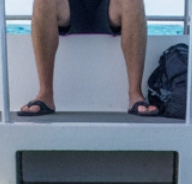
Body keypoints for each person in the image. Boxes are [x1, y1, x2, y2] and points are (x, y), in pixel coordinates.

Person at [18, 0, 158, 116]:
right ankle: (45, 94)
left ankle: (136, 95)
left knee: (132, 1)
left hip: (110, 8)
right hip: (68, 8)